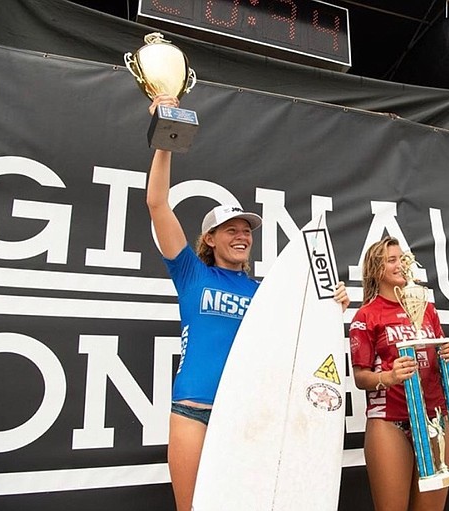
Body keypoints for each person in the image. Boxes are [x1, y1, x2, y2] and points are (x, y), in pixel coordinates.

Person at [146, 94, 349, 511]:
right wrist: (166, 137)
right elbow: (157, 204)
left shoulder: (265, 294)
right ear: (210, 238)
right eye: (231, 230)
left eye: (247, 231)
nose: (242, 236)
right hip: (193, 410)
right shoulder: (190, 273)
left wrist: (333, 305)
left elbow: (298, 343)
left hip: (247, 414)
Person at [349, 236, 449, 511]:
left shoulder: (427, 308)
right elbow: (360, 377)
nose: (401, 264)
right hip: (390, 422)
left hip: (434, 418)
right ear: (377, 269)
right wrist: (388, 377)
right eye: (392, 260)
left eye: (402, 258)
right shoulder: (366, 315)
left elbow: (439, 350)